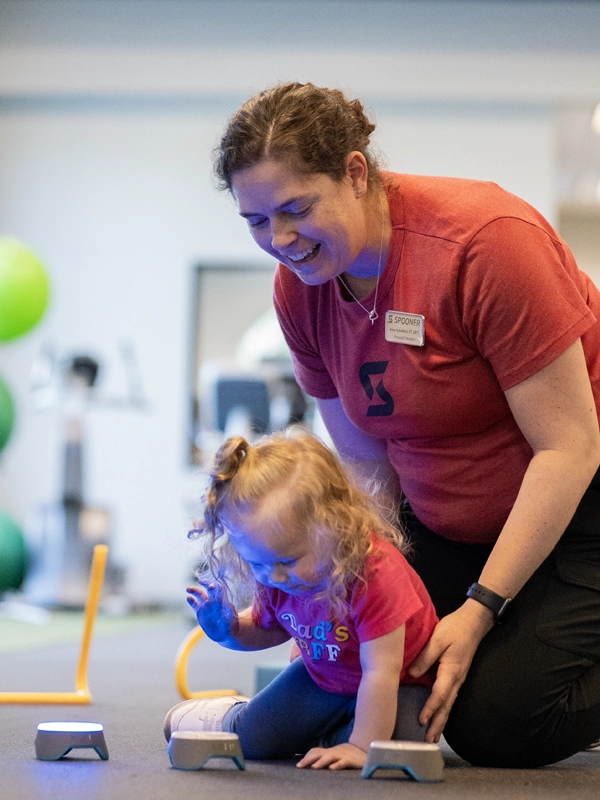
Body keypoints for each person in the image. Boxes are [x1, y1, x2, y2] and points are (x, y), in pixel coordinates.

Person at [204, 82, 600, 769]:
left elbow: (569, 448)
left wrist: (479, 610)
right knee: (383, 669)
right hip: (445, 522)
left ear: (356, 173)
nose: (282, 240)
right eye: (257, 221)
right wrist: (345, 594)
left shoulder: (486, 243)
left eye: (297, 209)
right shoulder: (300, 290)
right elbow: (364, 466)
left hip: (579, 505)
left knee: (495, 726)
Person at [164, 431, 439, 769]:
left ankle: (332, 735)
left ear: (334, 526)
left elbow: (381, 671)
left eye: (288, 561)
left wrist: (362, 747)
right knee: (253, 741)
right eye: (257, 564)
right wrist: (230, 631)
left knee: (401, 747)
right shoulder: (275, 571)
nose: (273, 576)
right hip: (325, 673)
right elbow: (269, 629)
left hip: (399, 680)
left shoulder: (375, 574)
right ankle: (235, 716)